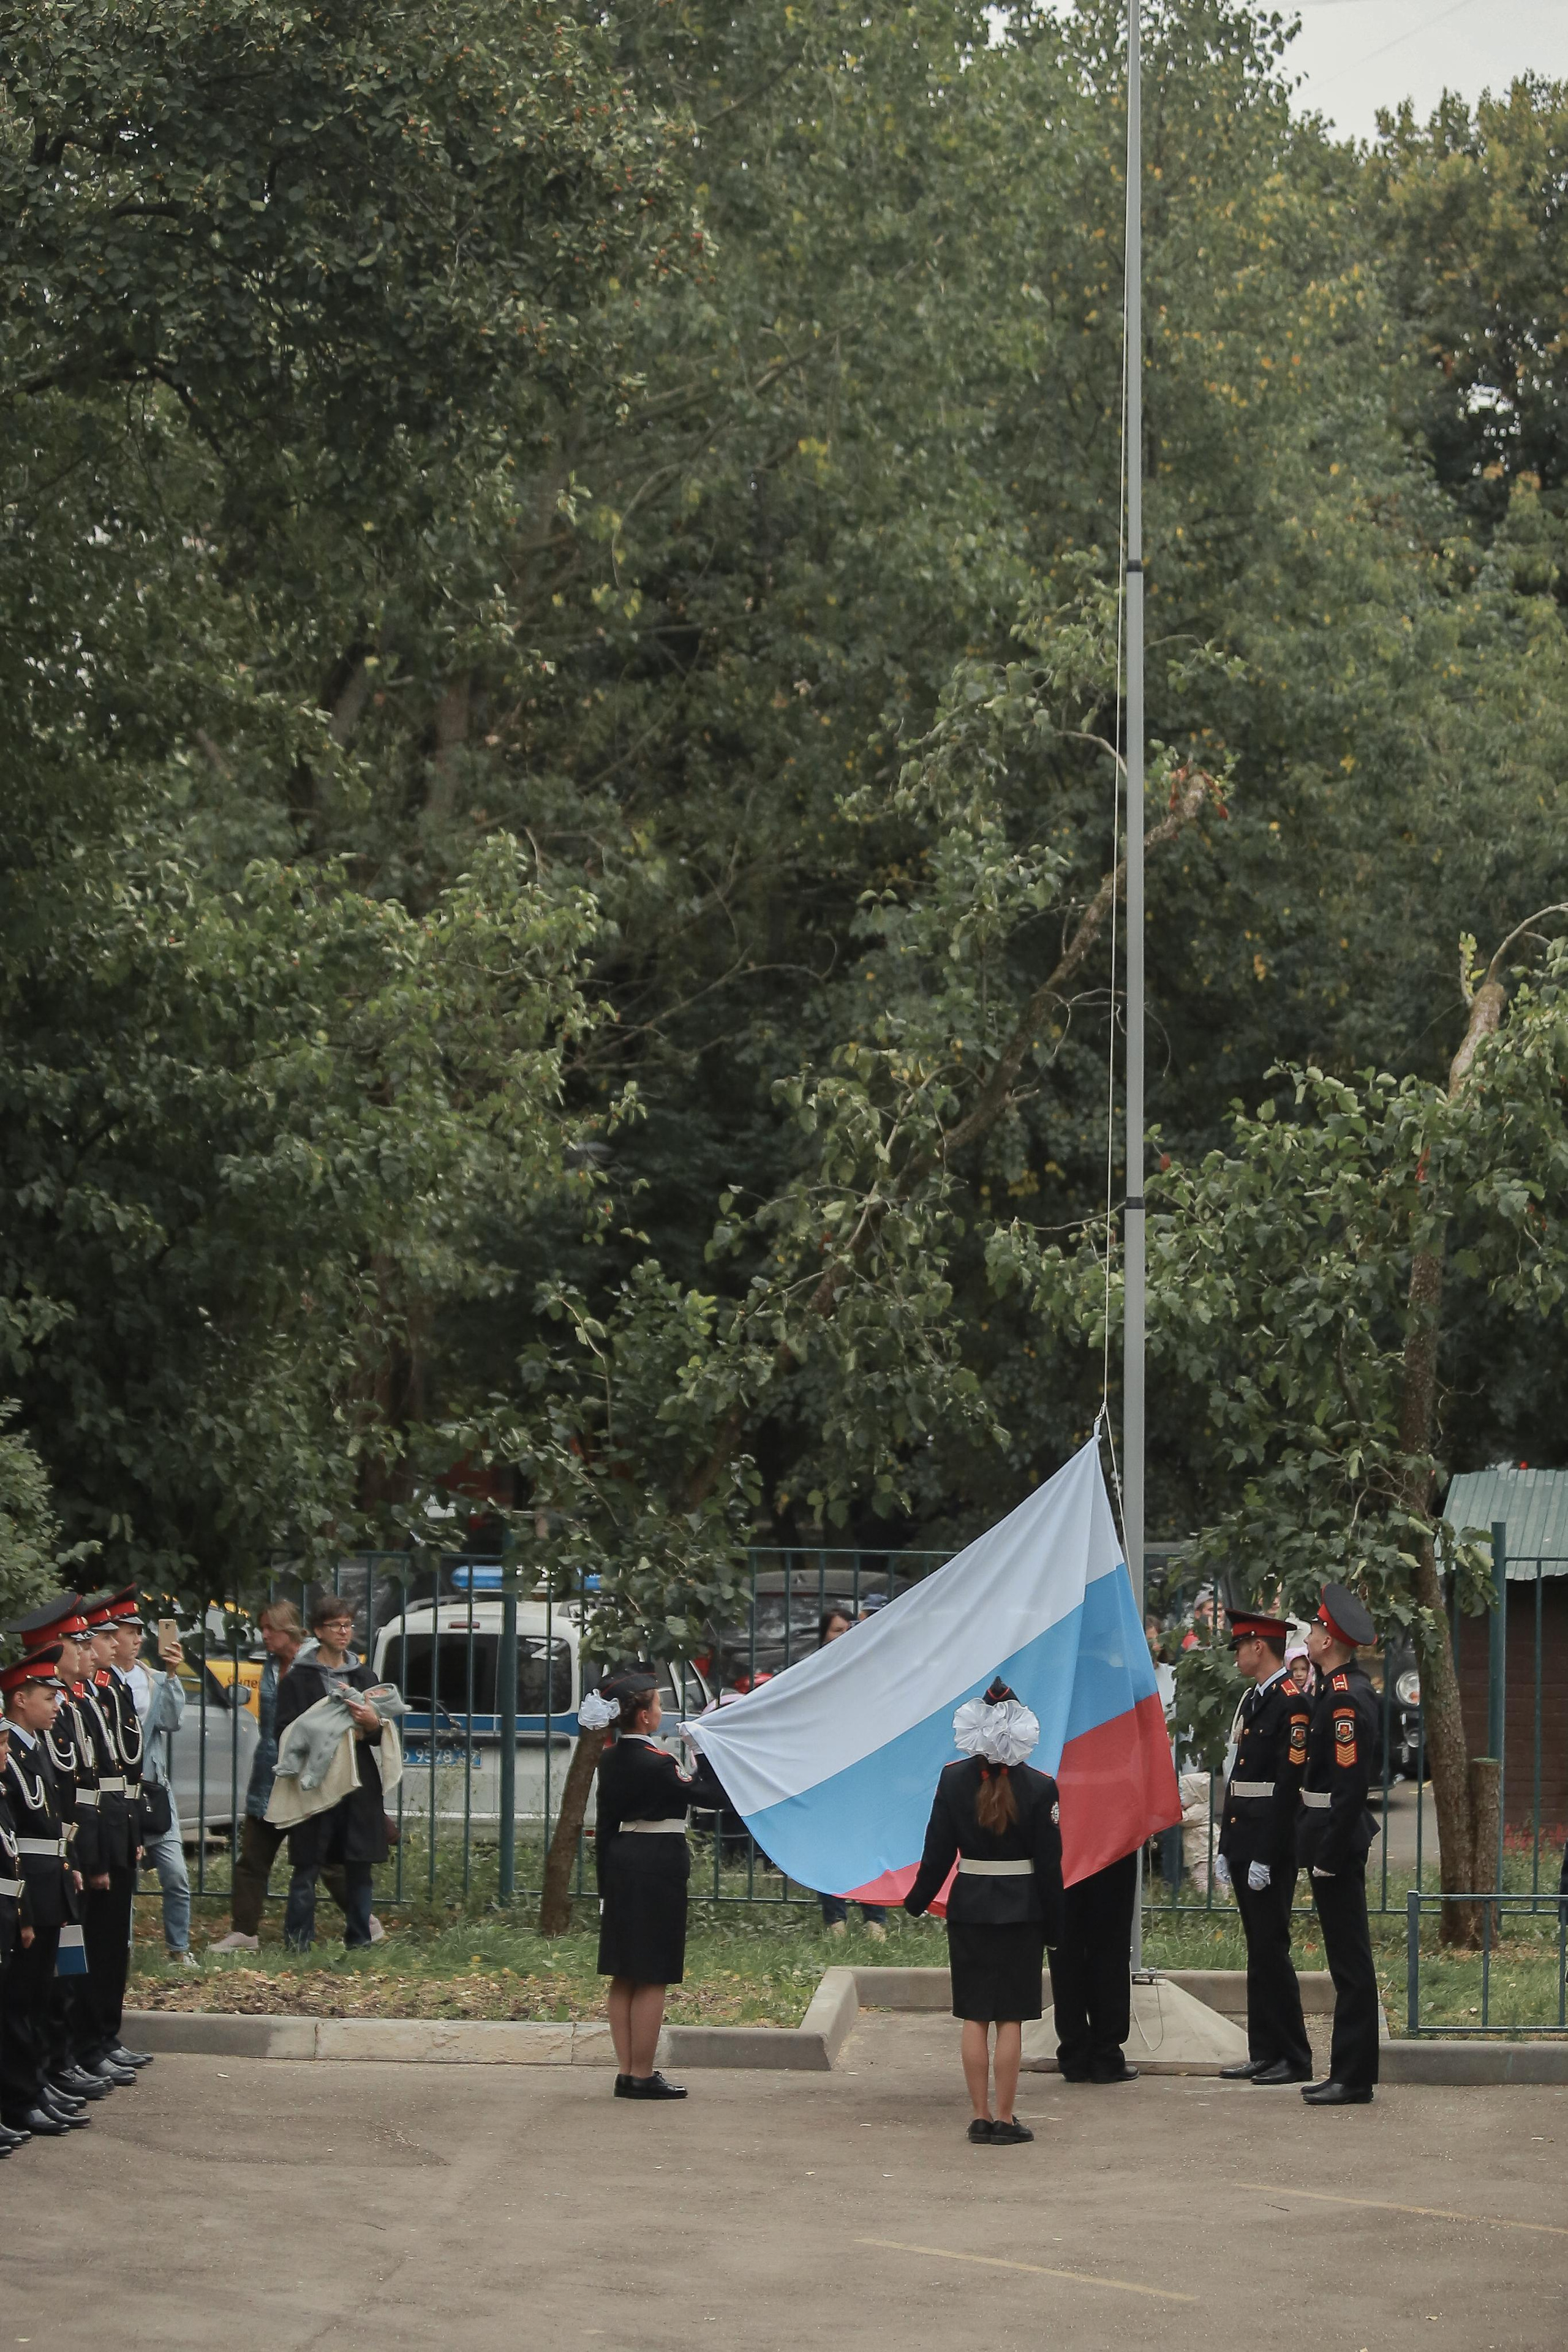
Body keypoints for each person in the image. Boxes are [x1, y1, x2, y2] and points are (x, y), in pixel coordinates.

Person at [903, 1678, 1065, 2145]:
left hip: (970, 1906)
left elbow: (937, 1854)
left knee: (975, 2016)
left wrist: (916, 1901)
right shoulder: (1042, 1787)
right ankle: (1006, 2119)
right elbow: (1050, 1868)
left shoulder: (953, 1780)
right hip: (1022, 1912)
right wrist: (1057, 1927)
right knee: (1010, 2017)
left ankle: (979, 2116)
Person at [584, 1664, 728, 2101]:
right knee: (651, 1974)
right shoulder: (659, 1762)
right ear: (644, 1716)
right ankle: (643, 2074)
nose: (662, 1711)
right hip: (657, 1866)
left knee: (625, 1972)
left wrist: (605, 1887)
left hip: (621, 1863)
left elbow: (604, 1826)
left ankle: (627, 2071)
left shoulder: (609, 1759)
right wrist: (702, 1752)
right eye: (659, 1704)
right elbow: (713, 1796)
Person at [211, 1600, 371, 1951]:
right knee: (254, 1856)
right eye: (263, 1629)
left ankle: (364, 1921)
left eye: (271, 1629)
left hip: (312, 1774)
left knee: (323, 1859)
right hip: (270, 1772)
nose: (265, 1635)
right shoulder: (269, 1667)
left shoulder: (315, 1665)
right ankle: (244, 1931)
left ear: (290, 1630)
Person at [1214, 1611, 1313, 2086]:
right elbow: (1237, 1776)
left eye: (1240, 1645)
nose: (1236, 1654)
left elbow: (1287, 1787)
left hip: (1269, 1845)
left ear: (1260, 1647)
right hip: (1245, 1839)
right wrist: (1225, 1843)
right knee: (1258, 1950)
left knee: (1273, 1948)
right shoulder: (1254, 1699)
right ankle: (1265, 2051)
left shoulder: (1292, 1704)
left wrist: (1266, 1856)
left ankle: (1294, 2055)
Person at [1297, 1582, 1381, 2108]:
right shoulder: (1335, 1688)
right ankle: (1349, 2073)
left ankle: (1353, 2077)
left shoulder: (1345, 1697)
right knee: (1346, 1960)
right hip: (1328, 1837)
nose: (1307, 1636)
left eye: (1313, 1629)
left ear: (1328, 1641)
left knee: (1351, 1964)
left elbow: (1349, 1788)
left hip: (1338, 1842)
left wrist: (1328, 1855)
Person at [1, 1646, 89, 2139]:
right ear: (20, 1700)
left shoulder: (33, 1746)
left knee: (40, 1994)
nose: (57, 1705)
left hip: (48, 1878)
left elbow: (53, 1820)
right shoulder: (9, 1752)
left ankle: (34, 2086)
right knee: (20, 1999)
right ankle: (20, 2095)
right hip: (25, 1885)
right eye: (47, 1697)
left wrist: (67, 1865)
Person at [271, 1593, 393, 1951]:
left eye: (348, 1625)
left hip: (358, 1783)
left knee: (359, 1866)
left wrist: (371, 1723)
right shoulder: (298, 1680)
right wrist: (328, 1732)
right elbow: (285, 1732)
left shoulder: (364, 1676)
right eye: (336, 1625)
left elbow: (379, 1734)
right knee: (307, 1866)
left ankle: (360, 1941)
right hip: (315, 1781)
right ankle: (298, 1944)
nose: (344, 1632)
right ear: (318, 1631)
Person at [78, 1588, 154, 2078]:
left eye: (112, 1636)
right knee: (95, 1945)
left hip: (118, 1825)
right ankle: (87, 2042)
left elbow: (127, 1770)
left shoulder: (111, 1689)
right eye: (104, 1637)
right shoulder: (82, 1698)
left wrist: (132, 1833)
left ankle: (105, 2034)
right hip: (97, 1833)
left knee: (112, 1947)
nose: (109, 1645)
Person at [125, 1616, 197, 1966]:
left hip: (154, 1792)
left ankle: (179, 1950)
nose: (137, 1639)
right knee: (124, 1879)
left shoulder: (152, 1679)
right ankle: (122, 1950)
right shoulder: (101, 1683)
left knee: (176, 1874)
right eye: (129, 1633)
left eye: (139, 1633)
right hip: (120, 1795)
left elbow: (171, 1721)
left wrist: (171, 1675)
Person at [814, 1605, 887, 1940]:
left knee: (870, 1840)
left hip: (865, 1767)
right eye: (837, 1631)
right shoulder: (812, 1671)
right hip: (827, 1769)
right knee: (831, 1842)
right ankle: (836, 1921)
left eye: (849, 1630)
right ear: (823, 1636)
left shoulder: (870, 1669)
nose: (844, 1636)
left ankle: (875, 1920)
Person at [1047, 1843, 1140, 2084]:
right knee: (1111, 1947)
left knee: (1065, 1950)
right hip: (1113, 1843)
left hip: (1063, 1844)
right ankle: (1106, 2056)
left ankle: (1074, 2055)